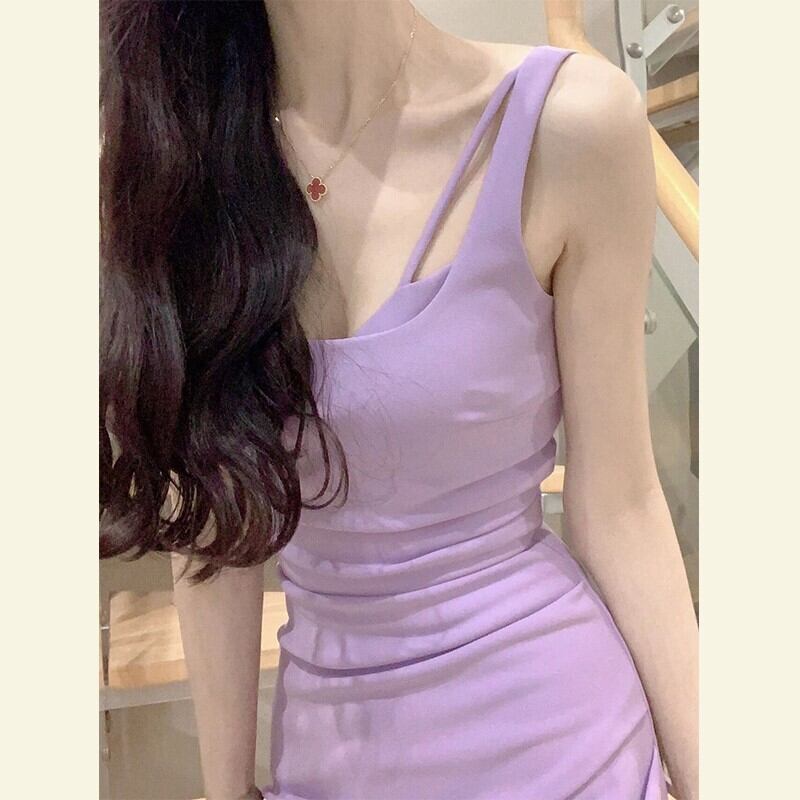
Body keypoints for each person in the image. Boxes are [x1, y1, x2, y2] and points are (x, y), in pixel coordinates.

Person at [99, 2, 698, 799]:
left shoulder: (568, 124)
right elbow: (214, 526)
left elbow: (621, 505)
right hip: (329, 762)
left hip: (565, 750)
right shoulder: (182, 162)